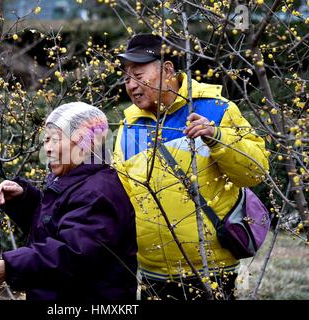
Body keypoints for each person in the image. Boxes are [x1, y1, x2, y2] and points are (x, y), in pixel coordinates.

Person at [113, 33, 269, 300]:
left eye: (138, 75)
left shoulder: (217, 109)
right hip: (151, 271)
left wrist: (218, 137)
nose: (131, 85)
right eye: (127, 78)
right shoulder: (129, 126)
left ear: (168, 70)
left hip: (210, 270)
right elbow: (121, 194)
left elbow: (256, 172)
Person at [0, 102, 137, 300]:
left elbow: (73, 253)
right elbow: (56, 226)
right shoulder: (75, 181)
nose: (47, 149)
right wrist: (24, 199)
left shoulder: (97, 192)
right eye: (46, 140)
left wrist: (11, 266)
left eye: (55, 139)